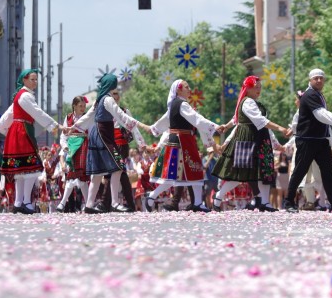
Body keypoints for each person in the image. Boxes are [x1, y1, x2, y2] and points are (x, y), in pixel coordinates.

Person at [70, 74, 152, 214]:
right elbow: (121, 116)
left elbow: (89, 115)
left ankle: (89, 205)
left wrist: (74, 126)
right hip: (104, 136)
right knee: (118, 166)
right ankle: (114, 203)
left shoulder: (99, 99)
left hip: (96, 135)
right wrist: (143, 126)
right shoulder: (108, 99)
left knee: (98, 173)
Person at [0, 69, 67, 214]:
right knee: (32, 167)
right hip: (22, 131)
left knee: (21, 169)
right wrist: (56, 126)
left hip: (17, 132)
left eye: (36, 79)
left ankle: (19, 202)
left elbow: (9, 113)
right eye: (32, 79)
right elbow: (37, 113)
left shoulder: (20, 95)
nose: (35, 82)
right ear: (24, 80)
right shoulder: (25, 96)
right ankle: (26, 202)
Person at [283, 69, 332, 213]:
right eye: (316, 78)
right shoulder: (309, 95)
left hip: (320, 140)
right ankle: (288, 201)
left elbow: (323, 121)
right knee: (300, 171)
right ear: (310, 80)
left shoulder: (318, 95)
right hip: (307, 140)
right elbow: (322, 115)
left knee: (328, 172)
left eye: (321, 78)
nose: (319, 80)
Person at [212, 76, 287, 212]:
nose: (258, 89)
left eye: (260, 87)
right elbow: (259, 120)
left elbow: (236, 119)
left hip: (260, 139)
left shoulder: (252, 102)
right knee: (239, 173)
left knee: (262, 172)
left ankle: (265, 202)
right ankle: (219, 196)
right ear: (247, 88)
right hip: (247, 139)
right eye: (255, 87)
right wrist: (280, 128)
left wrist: (227, 126)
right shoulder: (247, 102)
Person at [146, 79, 222, 213]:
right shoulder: (182, 104)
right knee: (187, 171)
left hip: (180, 141)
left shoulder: (175, 105)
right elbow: (197, 119)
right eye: (187, 87)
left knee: (185, 173)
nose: (190, 89)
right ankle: (196, 203)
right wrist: (215, 126)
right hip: (183, 142)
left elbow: (163, 121)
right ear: (179, 90)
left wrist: (153, 129)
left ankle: (153, 196)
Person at [56, 96, 90, 212]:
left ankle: (63, 202)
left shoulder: (87, 117)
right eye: (80, 106)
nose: (82, 108)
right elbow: (63, 136)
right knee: (73, 176)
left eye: (84, 106)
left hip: (83, 147)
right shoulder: (68, 117)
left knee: (81, 177)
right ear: (74, 106)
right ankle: (87, 203)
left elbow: (91, 132)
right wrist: (65, 146)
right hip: (71, 147)